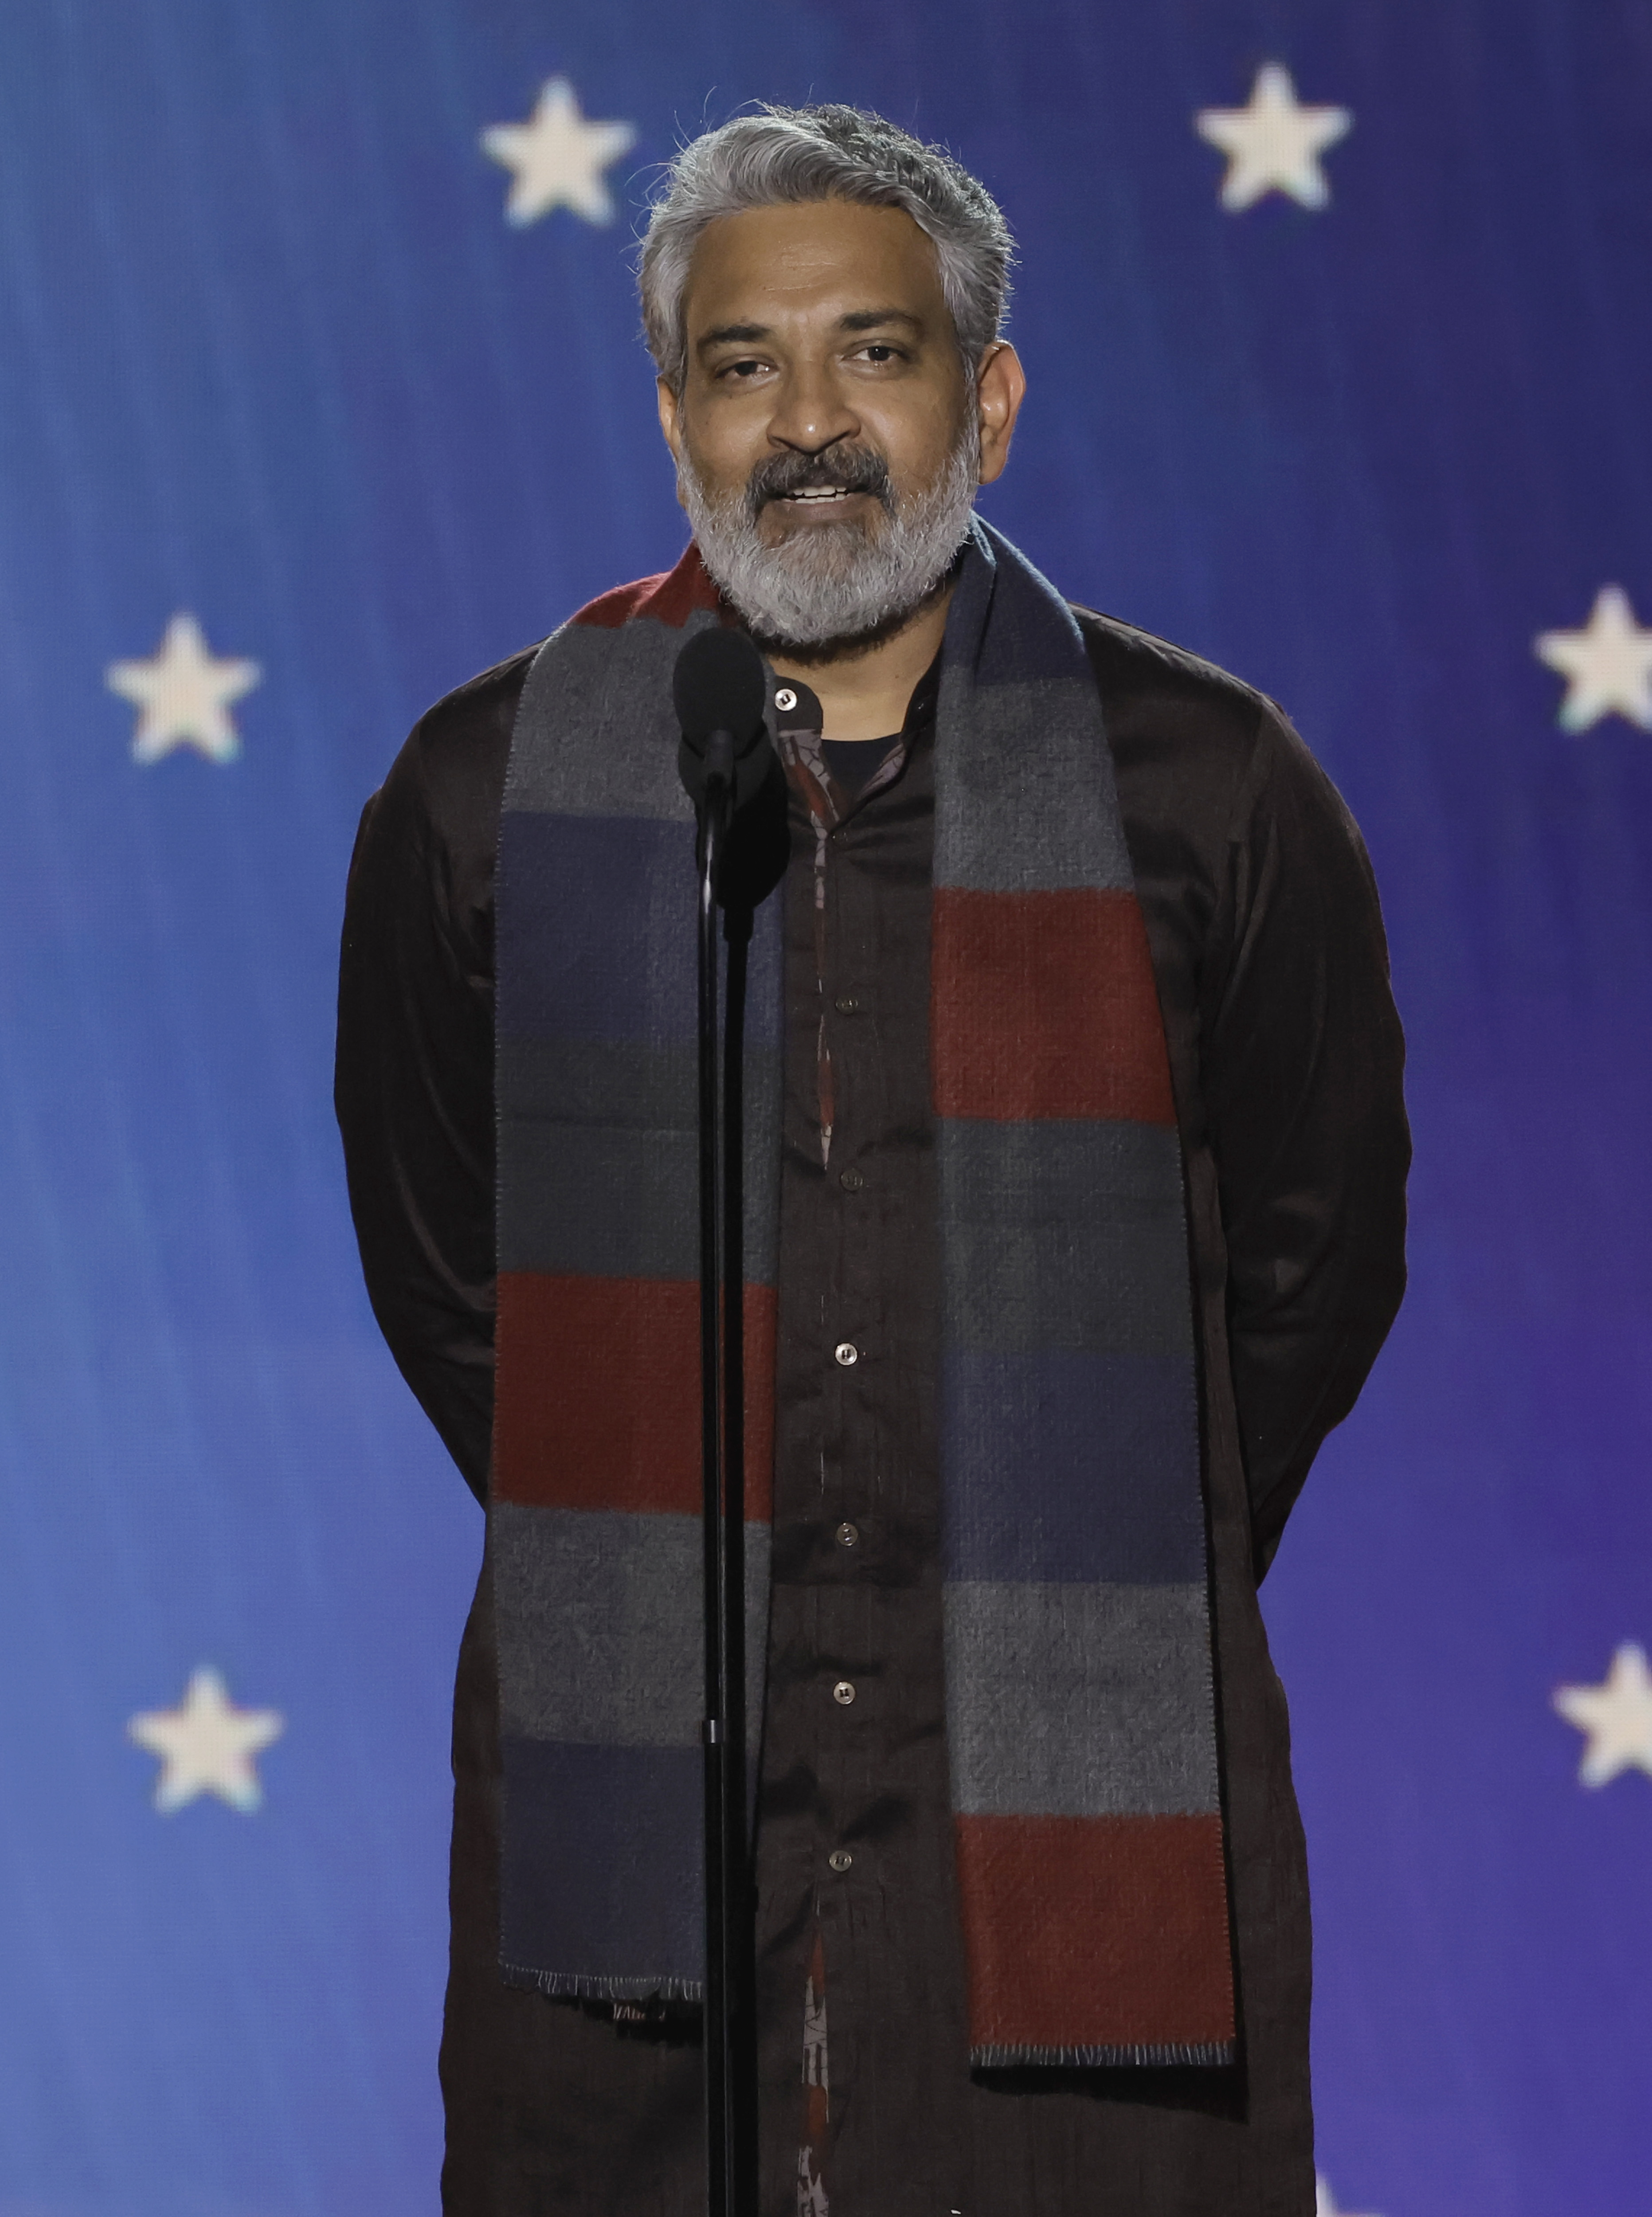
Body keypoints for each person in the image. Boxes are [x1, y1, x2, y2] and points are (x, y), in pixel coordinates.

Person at [335, 102, 1409, 2217]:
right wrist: (676, 1538)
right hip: (636, 1817)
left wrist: (1090, 1539)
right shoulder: (483, 793)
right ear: (673, 414)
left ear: (984, 402)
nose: (806, 423)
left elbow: (1307, 1273)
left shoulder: (1207, 787)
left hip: (1077, 1816)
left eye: (874, 353)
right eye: (743, 363)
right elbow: (458, 1287)